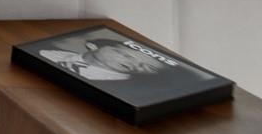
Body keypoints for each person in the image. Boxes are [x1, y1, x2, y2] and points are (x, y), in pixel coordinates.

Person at [40, 36, 170, 82]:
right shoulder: (45, 51)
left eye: (149, 66)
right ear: (92, 46)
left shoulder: (125, 90)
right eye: (126, 55)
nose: (135, 64)